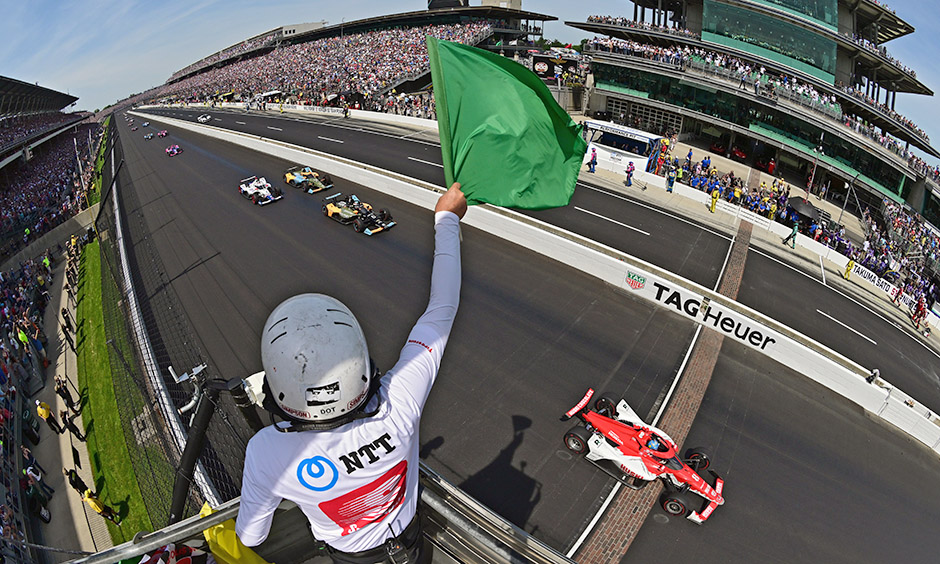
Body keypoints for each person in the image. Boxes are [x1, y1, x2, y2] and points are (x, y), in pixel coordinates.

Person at [236, 184, 467, 563]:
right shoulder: (400, 399)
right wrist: (445, 218)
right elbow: (442, 308)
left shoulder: (267, 453)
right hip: (412, 545)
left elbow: (250, 536)